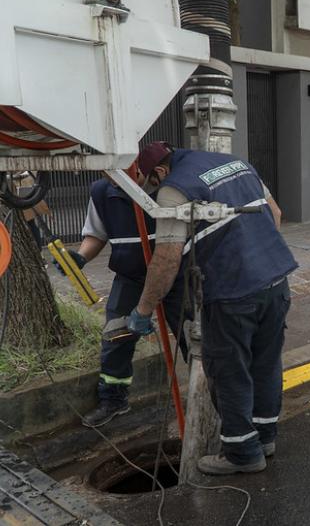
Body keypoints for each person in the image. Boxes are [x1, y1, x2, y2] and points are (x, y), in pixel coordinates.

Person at [127, 142, 297, 476]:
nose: (154, 194)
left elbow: (166, 260)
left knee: (228, 371)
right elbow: (275, 213)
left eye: (150, 186)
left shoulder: (174, 189)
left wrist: (143, 310)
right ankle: (265, 438)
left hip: (232, 294)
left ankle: (242, 453)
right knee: (265, 365)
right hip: (275, 281)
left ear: (160, 172)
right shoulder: (237, 163)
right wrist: (255, 257)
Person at [56, 166, 188, 428]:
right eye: (106, 172)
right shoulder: (102, 193)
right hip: (131, 278)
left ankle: (207, 390)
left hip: (175, 275)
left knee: (192, 333)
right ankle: (114, 399)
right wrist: (80, 257)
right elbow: (97, 234)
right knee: (115, 338)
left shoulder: (167, 187)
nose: (112, 178)